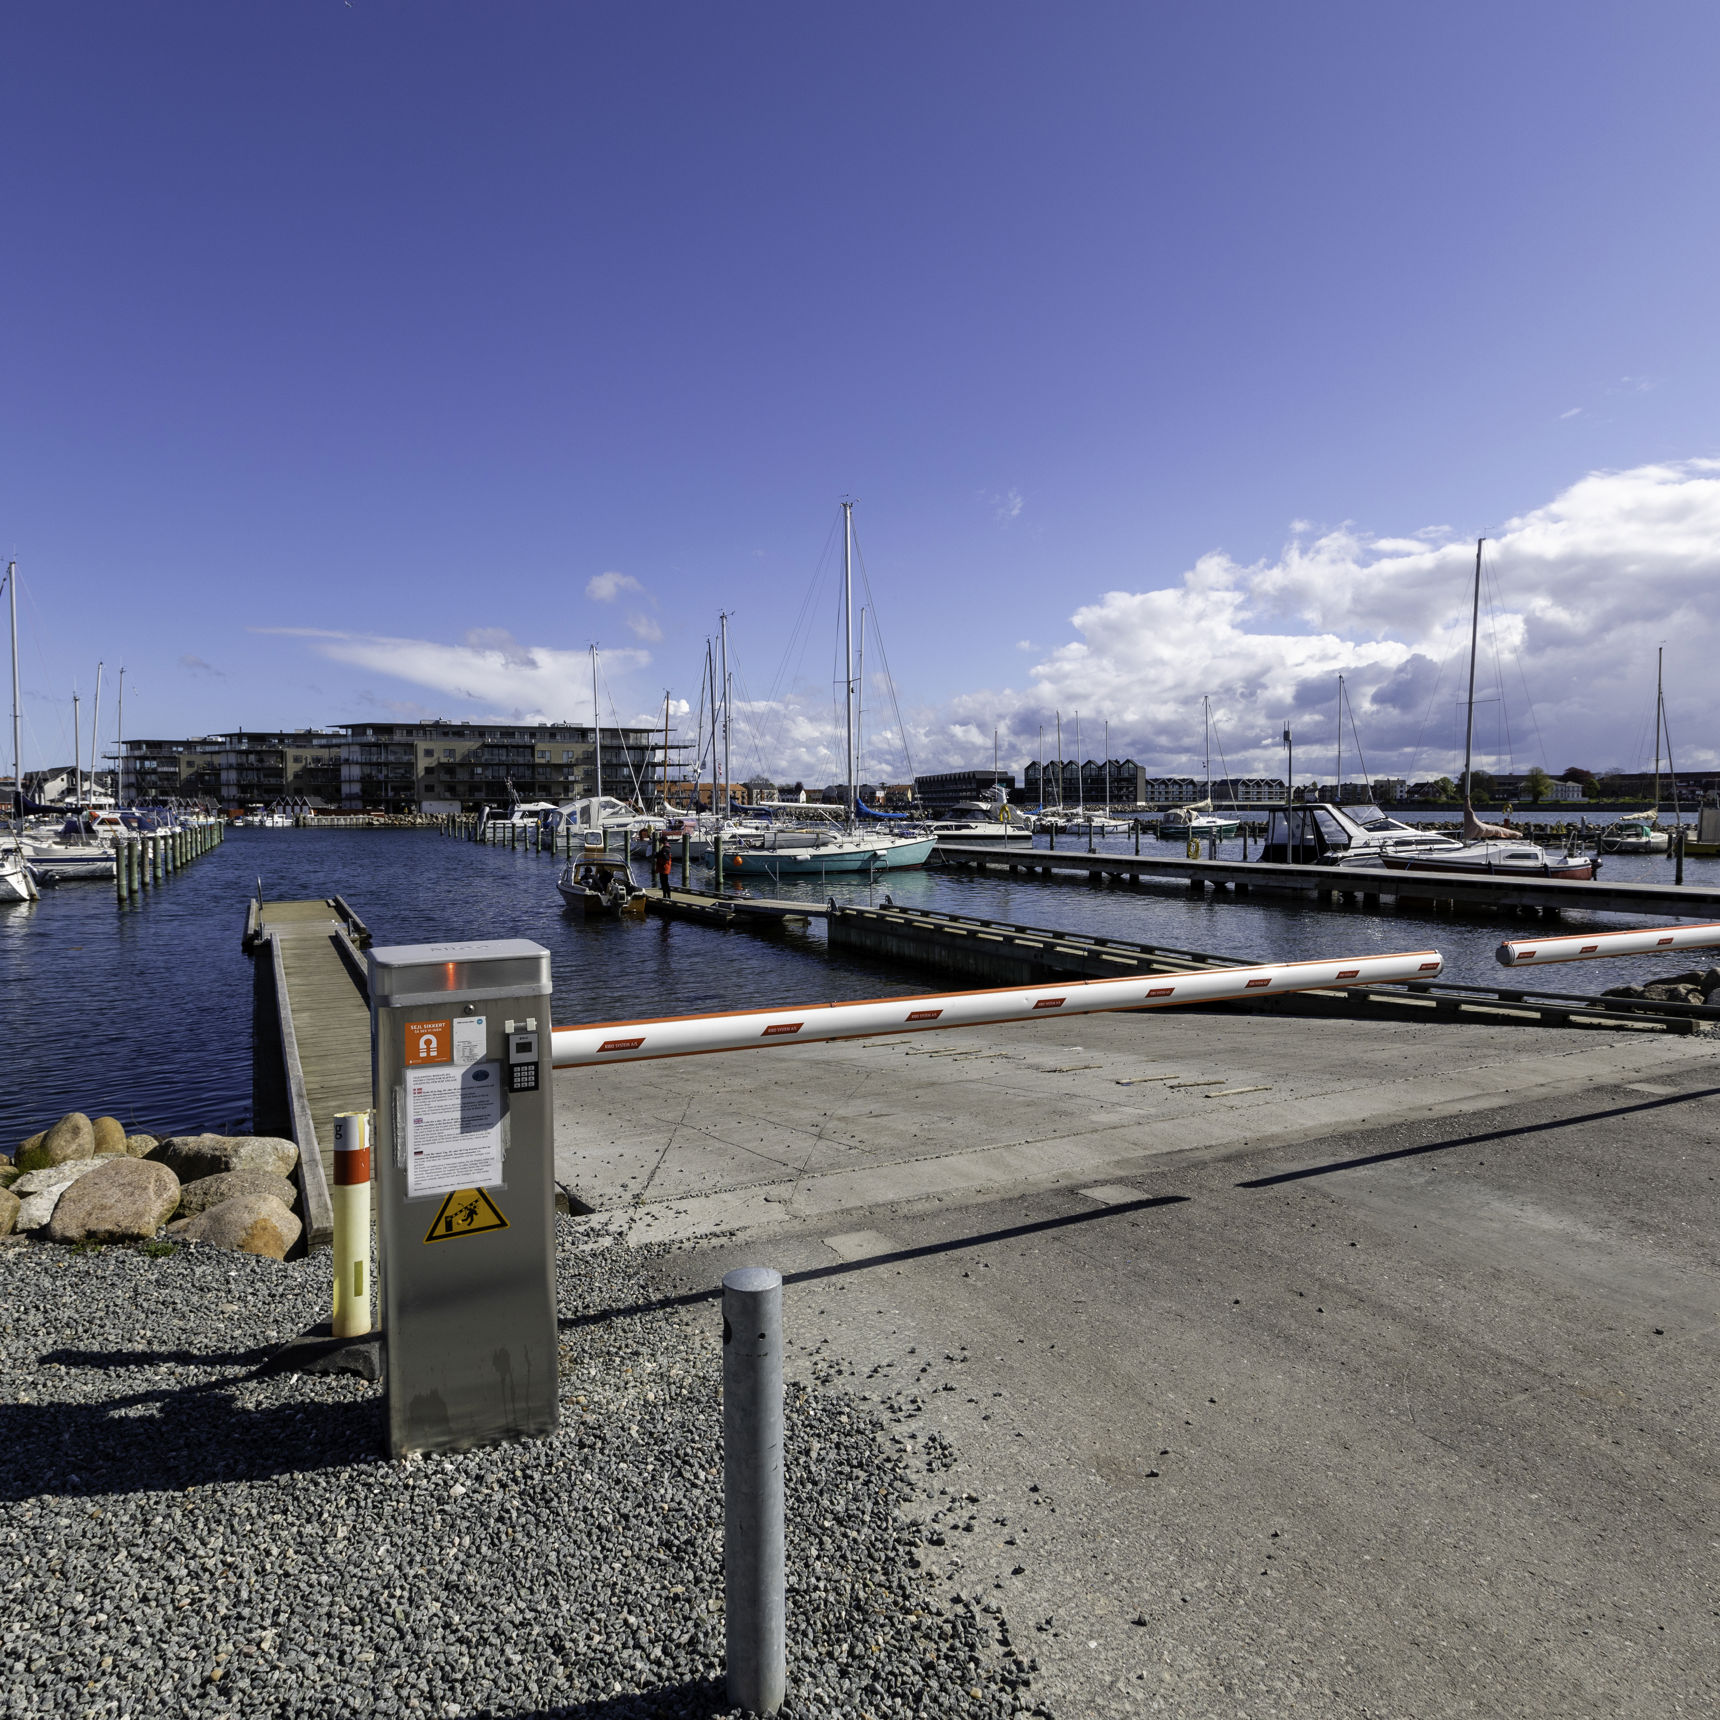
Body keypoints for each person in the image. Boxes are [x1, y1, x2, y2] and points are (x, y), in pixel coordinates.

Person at [655, 832, 673, 898]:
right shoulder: (665, 848)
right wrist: (658, 854)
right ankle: (665, 896)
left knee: (665, 882)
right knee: (663, 882)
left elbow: (666, 858)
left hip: (664, 868)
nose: (660, 842)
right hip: (663, 868)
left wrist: (658, 855)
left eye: (661, 841)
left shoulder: (665, 849)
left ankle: (668, 896)